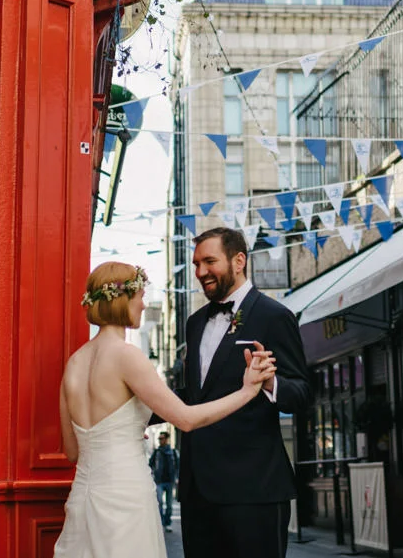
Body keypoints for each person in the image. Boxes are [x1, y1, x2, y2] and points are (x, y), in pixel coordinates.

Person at [53, 262, 277, 558]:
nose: (144, 305)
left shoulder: (73, 364)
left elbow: (72, 451)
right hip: (126, 494)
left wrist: (123, 431)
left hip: (84, 496)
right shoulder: (126, 356)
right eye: (140, 296)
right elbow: (185, 419)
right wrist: (248, 390)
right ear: (123, 299)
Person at [180, 228, 313, 558]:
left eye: (210, 261)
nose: (200, 272)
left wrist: (269, 383)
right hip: (197, 491)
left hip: (254, 491)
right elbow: (195, 395)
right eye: (196, 264)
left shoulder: (274, 315)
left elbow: (302, 393)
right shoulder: (194, 324)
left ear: (239, 260)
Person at [149, 431, 179, 531]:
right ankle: (161, 523)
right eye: (159, 439)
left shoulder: (173, 452)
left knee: (169, 505)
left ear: (166, 439)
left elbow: (178, 466)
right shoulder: (157, 452)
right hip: (159, 481)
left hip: (170, 481)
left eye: (162, 438)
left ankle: (167, 523)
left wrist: (177, 478)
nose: (160, 440)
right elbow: (150, 464)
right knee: (160, 502)